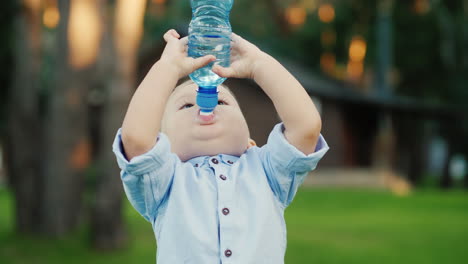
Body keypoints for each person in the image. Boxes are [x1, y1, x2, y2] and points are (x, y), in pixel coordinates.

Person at [113, 29, 329, 263]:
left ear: (250, 143)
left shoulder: (266, 171)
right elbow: (136, 140)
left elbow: (306, 127)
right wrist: (167, 69)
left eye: (223, 101)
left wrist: (259, 64)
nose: (206, 104)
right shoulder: (164, 182)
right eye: (185, 106)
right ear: (164, 146)